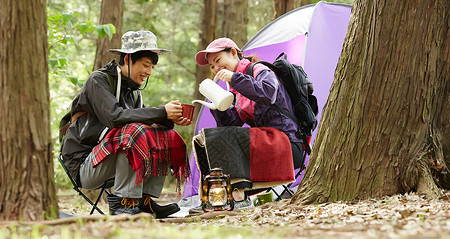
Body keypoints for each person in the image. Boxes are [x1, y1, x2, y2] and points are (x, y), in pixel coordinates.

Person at [62, 30, 191, 217]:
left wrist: (169, 119)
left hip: (111, 159)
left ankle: (145, 200)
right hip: (85, 164)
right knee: (132, 133)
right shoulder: (98, 80)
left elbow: (148, 125)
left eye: (152, 67)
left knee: (162, 134)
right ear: (129, 59)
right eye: (146, 65)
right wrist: (162, 111)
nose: (149, 72)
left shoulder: (133, 91)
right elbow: (115, 118)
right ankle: (124, 203)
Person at [194, 37, 305, 207]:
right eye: (212, 66)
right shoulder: (235, 90)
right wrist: (217, 106)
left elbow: (268, 94)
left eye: (218, 61)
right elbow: (231, 126)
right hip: (267, 143)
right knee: (211, 137)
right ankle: (216, 197)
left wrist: (235, 78)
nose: (216, 69)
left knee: (220, 137)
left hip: (288, 143)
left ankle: (237, 198)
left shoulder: (259, 70)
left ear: (233, 53)